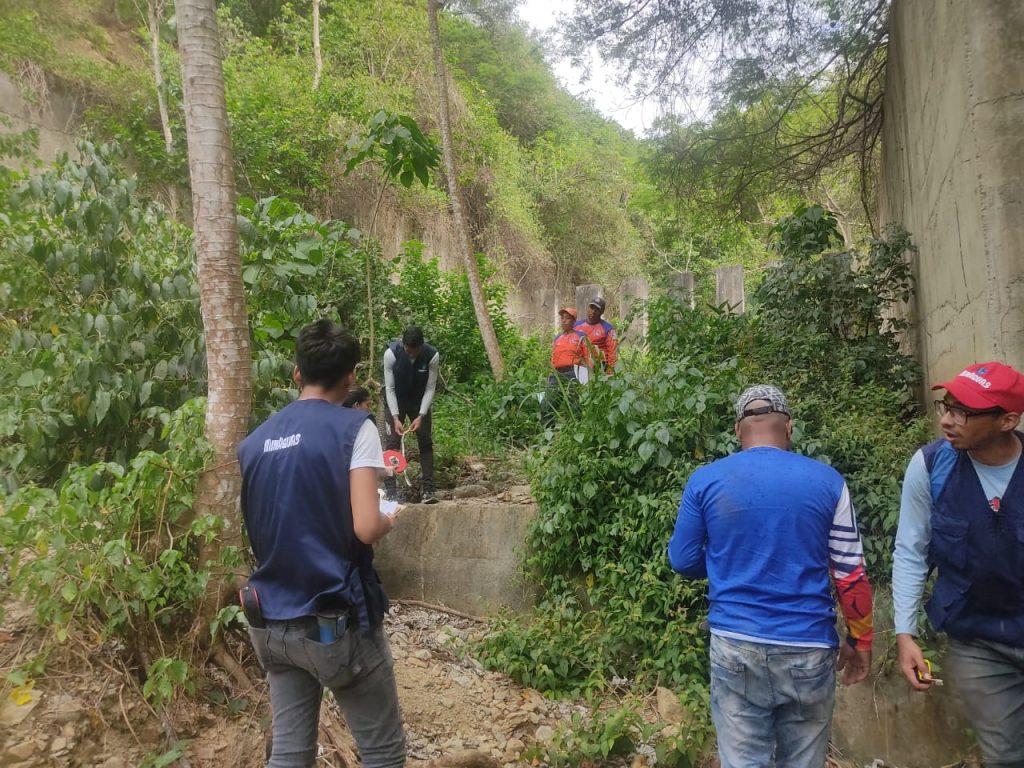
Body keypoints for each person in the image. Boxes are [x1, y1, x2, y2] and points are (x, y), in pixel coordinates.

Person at [668, 385, 873, 768]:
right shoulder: (828, 481)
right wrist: (861, 641)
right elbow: (850, 574)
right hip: (808, 646)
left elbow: (681, 559)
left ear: (737, 429)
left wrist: (724, 568)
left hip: (735, 643)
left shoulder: (706, 480)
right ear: (789, 427)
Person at [237, 319, 406, 768]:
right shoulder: (355, 428)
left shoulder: (253, 443)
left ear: (296, 373)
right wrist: (387, 518)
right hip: (335, 622)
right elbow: (366, 527)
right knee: (384, 754)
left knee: (290, 754)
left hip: (270, 620)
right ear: (350, 377)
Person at [892, 361, 1024, 767]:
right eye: (945, 407)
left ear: (1007, 420)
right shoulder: (932, 467)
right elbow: (911, 550)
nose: (948, 420)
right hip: (978, 640)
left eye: (963, 411)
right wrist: (905, 633)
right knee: (1003, 756)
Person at [382, 326, 440, 504]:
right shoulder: (391, 354)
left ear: (422, 346)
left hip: (418, 400)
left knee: (425, 440)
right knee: (392, 443)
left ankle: (428, 490)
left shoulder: (432, 355)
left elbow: (430, 388)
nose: (411, 355)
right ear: (403, 345)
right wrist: (395, 417)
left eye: (415, 351)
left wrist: (421, 415)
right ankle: (391, 492)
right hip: (395, 400)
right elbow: (390, 388)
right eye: (408, 351)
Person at [541, 307, 591, 426]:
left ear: (574, 321)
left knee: (574, 404)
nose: (564, 320)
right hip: (557, 374)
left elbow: (588, 357)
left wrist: (589, 377)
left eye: (567, 318)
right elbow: (553, 357)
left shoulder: (581, 336)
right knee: (547, 402)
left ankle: (575, 429)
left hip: (574, 372)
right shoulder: (558, 338)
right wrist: (550, 375)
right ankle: (548, 431)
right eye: (562, 318)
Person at [574, 296, 618, 373]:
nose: (593, 312)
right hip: (580, 365)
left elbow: (612, 353)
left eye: (597, 310)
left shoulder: (608, 329)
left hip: (599, 366)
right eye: (591, 308)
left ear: (602, 312)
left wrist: (610, 373)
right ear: (588, 308)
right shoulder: (576, 326)